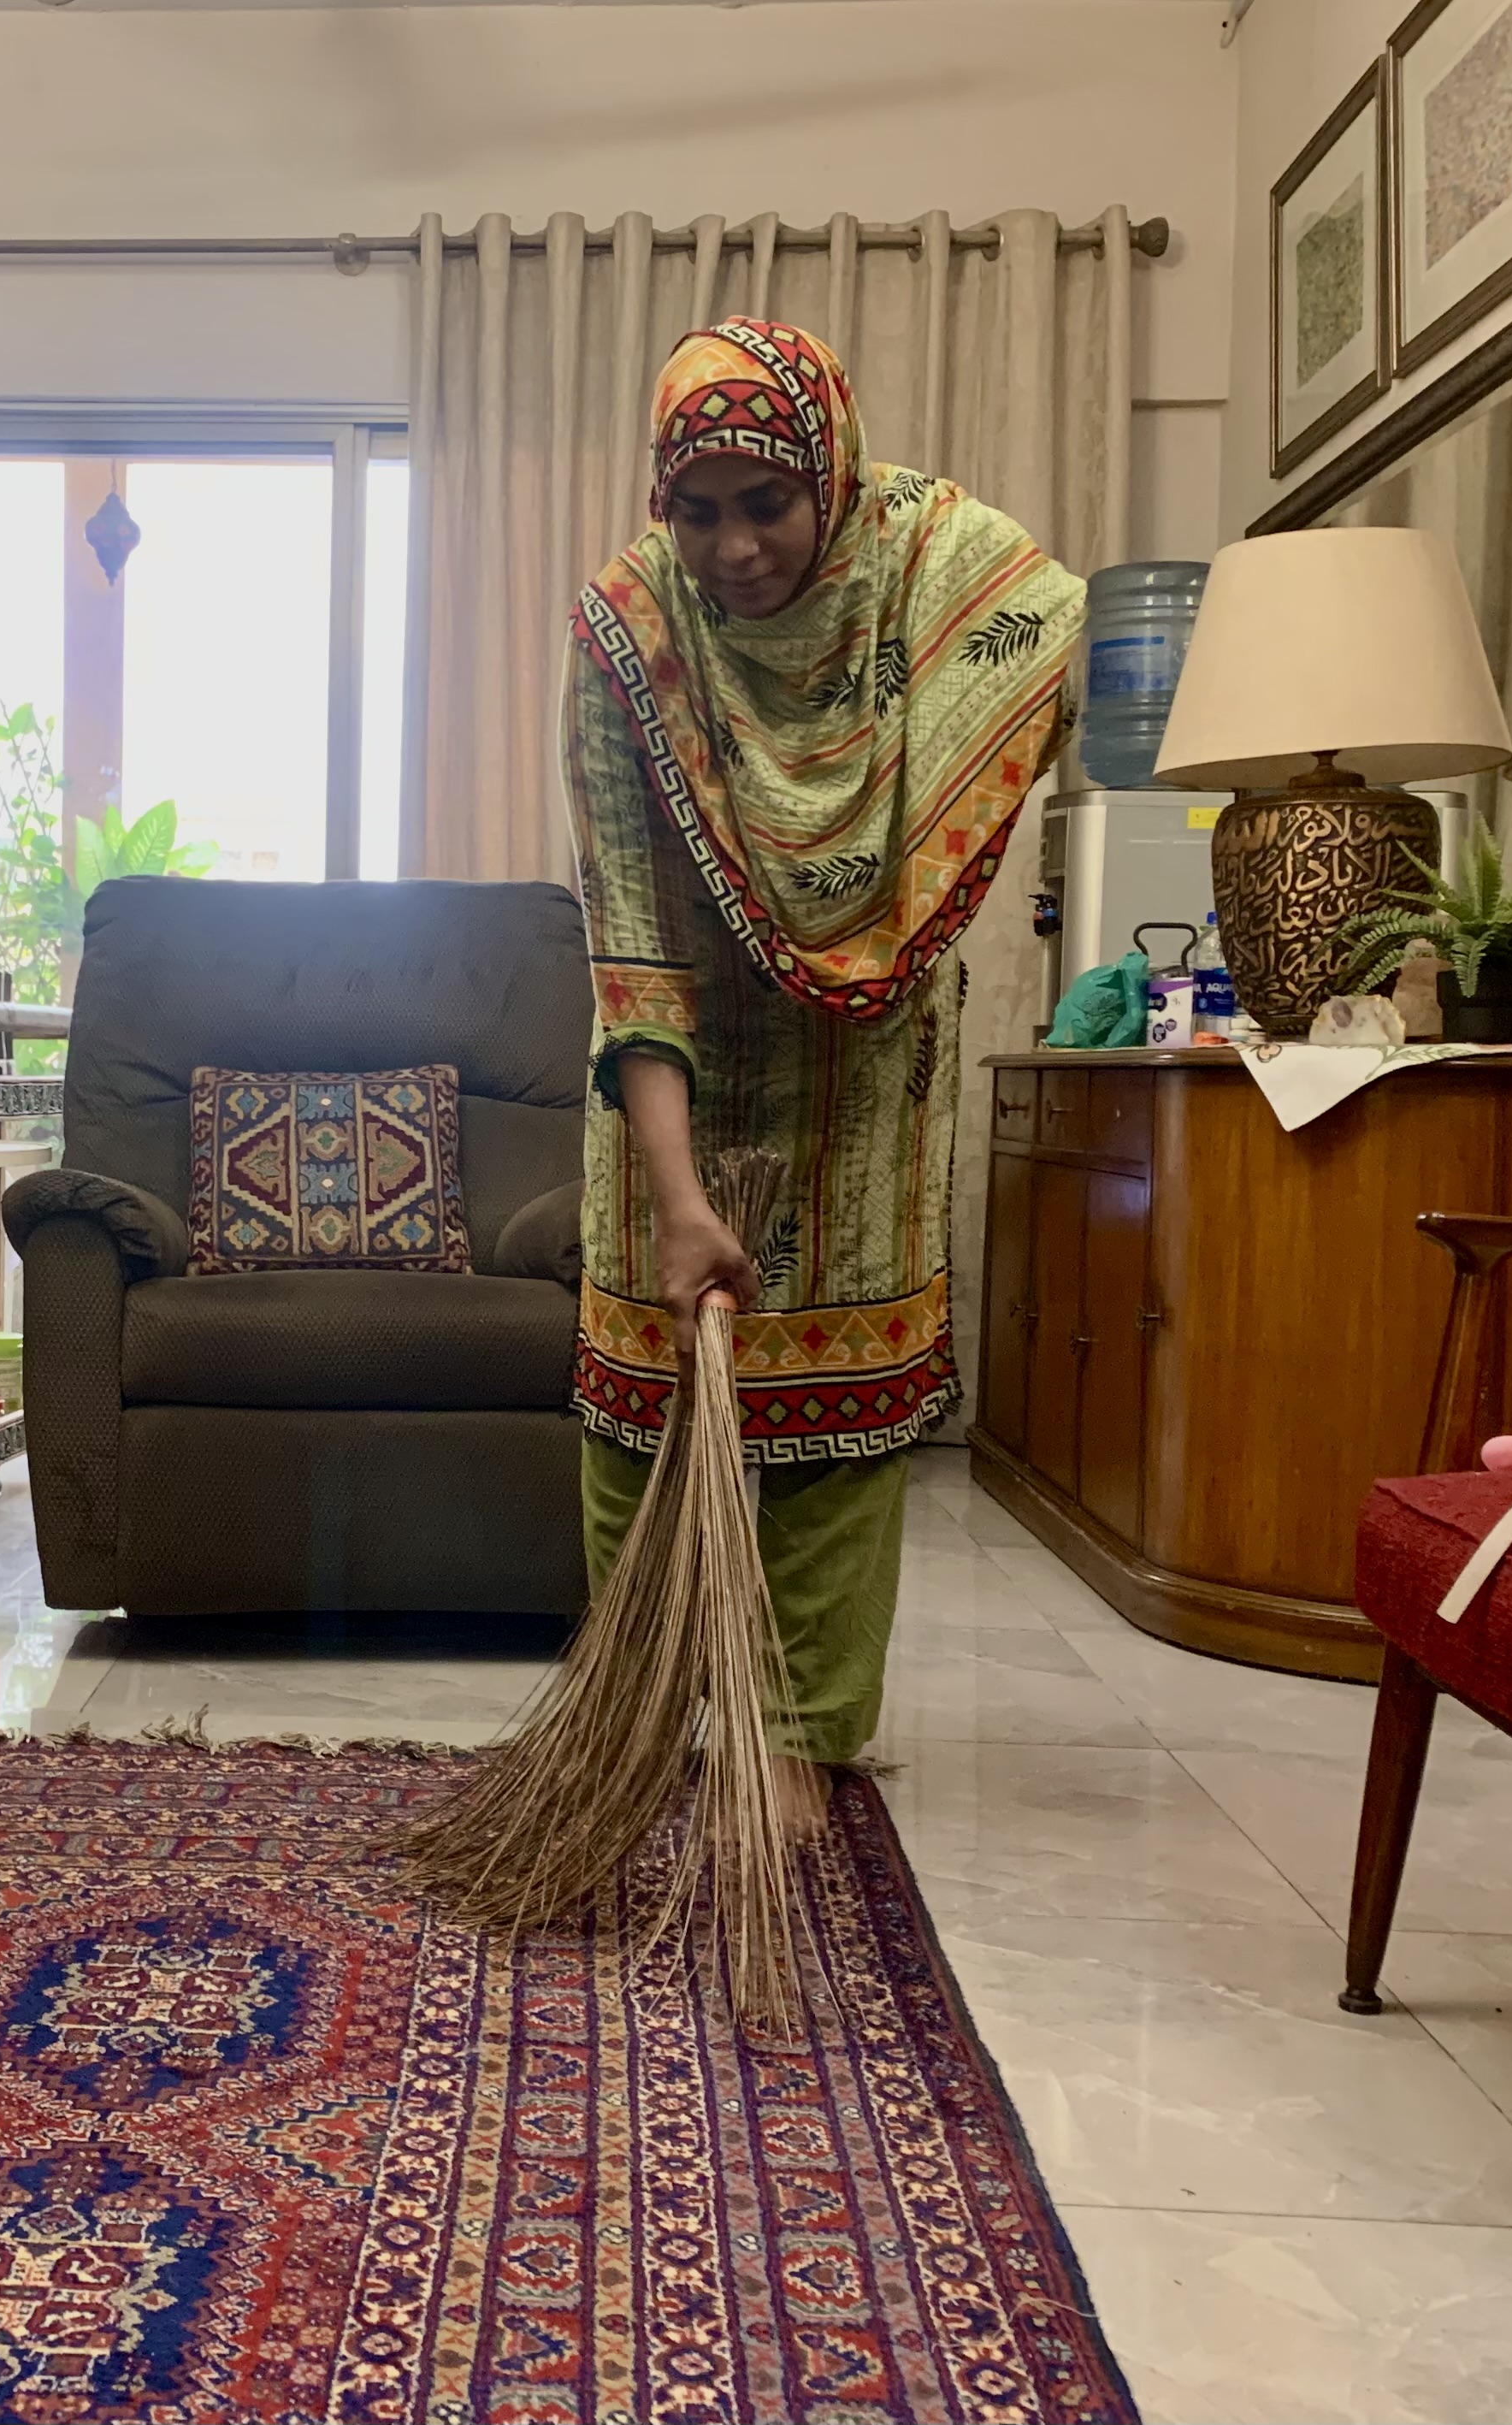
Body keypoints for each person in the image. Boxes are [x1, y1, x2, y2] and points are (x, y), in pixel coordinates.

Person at [563, 317, 1086, 1837]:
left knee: (837, 1416)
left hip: (861, 1078)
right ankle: (640, 1721)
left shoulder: (929, 577)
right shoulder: (628, 632)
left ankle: (797, 1744)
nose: (733, 548)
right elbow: (635, 932)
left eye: (767, 503)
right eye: (699, 509)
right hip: (666, 1072)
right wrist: (675, 1197)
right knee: (639, 1411)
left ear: (832, 477)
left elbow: (1043, 633)